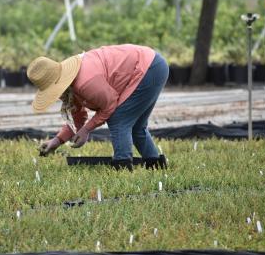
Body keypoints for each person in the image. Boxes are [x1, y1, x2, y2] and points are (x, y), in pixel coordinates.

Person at [27, 44, 169, 170]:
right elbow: (77, 116)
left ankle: (122, 167)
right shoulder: (72, 85)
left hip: (149, 68)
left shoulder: (85, 82)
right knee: (137, 126)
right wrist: (57, 141)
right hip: (152, 65)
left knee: (119, 119)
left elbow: (109, 105)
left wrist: (86, 130)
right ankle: (154, 165)